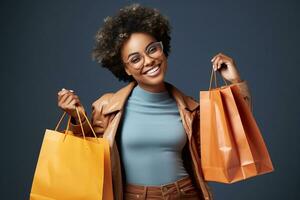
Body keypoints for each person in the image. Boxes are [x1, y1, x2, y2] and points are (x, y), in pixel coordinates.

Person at [57, 3, 252, 200]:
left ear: (162, 49)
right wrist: (77, 118)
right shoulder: (107, 107)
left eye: (152, 49)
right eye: (135, 59)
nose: (148, 61)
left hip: (186, 194)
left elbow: (230, 143)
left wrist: (235, 82)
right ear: (125, 69)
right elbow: (90, 158)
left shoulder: (190, 108)